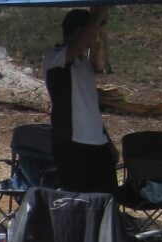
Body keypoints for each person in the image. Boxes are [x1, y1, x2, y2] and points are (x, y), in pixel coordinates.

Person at [44, 7, 119, 194]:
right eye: (91, 32)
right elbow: (78, 45)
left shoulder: (84, 64)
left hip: (97, 144)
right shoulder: (55, 57)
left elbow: (90, 107)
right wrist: (99, 12)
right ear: (79, 32)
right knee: (78, 203)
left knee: (107, 200)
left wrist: (107, 140)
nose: (93, 38)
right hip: (72, 144)